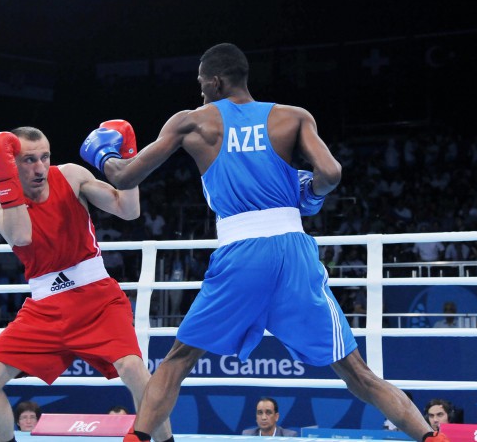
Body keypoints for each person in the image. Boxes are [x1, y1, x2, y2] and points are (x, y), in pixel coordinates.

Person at [80, 43, 446, 442]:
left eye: (202, 83)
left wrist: (105, 155)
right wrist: (310, 191)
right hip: (293, 250)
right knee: (356, 371)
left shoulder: (192, 122)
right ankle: (433, 438)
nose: (200, 92)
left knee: (178, 360)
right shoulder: (293, 117)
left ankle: (138, 439)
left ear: (216, 81)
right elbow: (331, 171)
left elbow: (125, 178)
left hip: (242, 254)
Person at [0, 126, 172, 442]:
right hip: (44, 310)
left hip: (97, 299)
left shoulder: (72, 176)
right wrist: (7, 183)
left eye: (44, 157)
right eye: (28, 160)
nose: (39, 168)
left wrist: (128, 159)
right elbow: (22, 236)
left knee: (134, 369)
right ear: (8, 163)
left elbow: (128, 211)